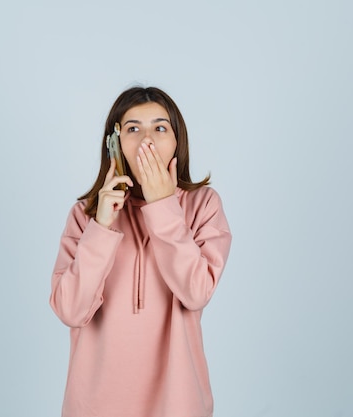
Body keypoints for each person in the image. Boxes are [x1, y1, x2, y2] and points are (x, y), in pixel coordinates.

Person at [49, 86, 232, 417]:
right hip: (93, 407)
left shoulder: (203, 205)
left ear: (178, 141)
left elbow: (196, 292)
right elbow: (69, 311)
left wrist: (163, 206)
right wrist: (101, 226)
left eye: (160, 128)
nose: (147, 139)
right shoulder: (85, 214)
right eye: (133, 128)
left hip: (177, 405)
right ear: (114, 143)